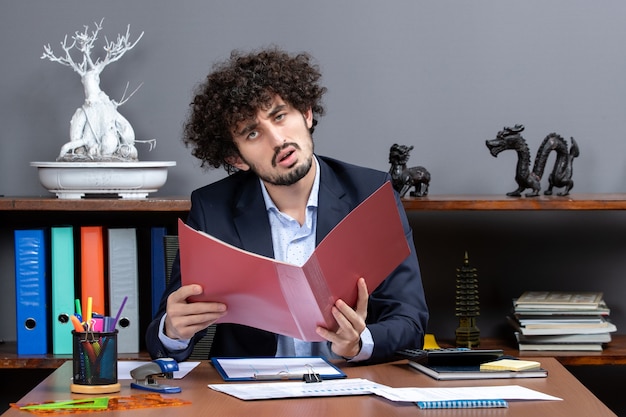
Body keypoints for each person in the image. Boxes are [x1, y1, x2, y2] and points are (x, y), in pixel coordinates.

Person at [146, 47, 428, 363]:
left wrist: (358, 343)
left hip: (350, 389)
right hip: (249, 400)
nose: (278, 139)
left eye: (280, 116)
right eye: (253, 133)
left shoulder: (371, 193)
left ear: (306, 113)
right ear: (236, 158)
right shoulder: (212, 209)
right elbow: (161, 339)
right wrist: (172, 331)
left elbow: (410, 319)